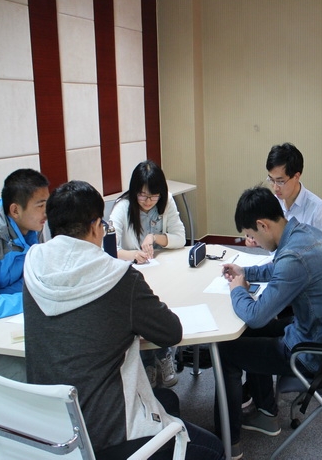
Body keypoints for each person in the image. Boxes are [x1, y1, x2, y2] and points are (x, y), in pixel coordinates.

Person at [23, 180, 224, 460]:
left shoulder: (33, 266)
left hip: (50, 430)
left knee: (167, 400)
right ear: (96, 226)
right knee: (214, 449)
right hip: (107, 435)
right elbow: (171, 332)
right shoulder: (118, 278)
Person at [217, 186, 322, 460]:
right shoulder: (303, 234)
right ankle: (266, 413)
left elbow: (256, 315)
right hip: (320, 332)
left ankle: (228, 443)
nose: (253, 241)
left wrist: (237, 289)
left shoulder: (294, 256)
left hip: (310, 353)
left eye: (252, 235)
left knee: (225, 350)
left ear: (263, 225)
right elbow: (281, 269)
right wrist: (246, 272)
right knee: (248, 334)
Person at [110, 160, 186, 388]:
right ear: (134, 191)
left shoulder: (166, 201)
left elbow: (180, 237)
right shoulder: (123, 207)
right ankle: (148, 363)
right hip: (133, 275)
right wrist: (132, 254)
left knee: (163, 310)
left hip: (161, 270)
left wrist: (154, 237)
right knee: (142, 314)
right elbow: (109, 249)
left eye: (153, 196)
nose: (147, 201)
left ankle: (163, 356)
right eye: (142, 195)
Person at [0, 168, 49, 381]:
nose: (47, 212)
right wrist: (29, 298)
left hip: (10, 323)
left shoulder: (34, 228)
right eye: (40, 205)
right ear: (15, 210)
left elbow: (34, 278)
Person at [245, 143, 322, 246]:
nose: (275, 188)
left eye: (280, 181)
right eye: (271, 180)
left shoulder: (316, 208)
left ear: (296, 177)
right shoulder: (272, 202)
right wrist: (255, 238)